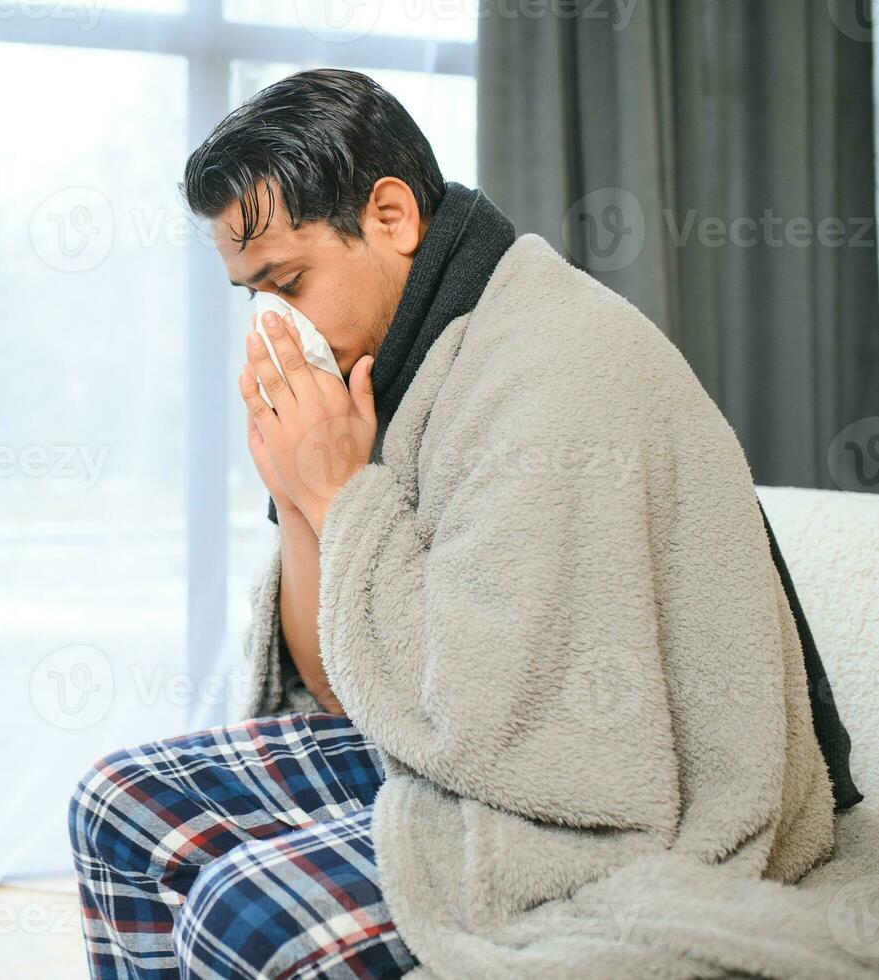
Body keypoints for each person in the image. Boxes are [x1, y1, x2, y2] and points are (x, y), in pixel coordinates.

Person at [69, 69, 861, 980]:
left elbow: (510, 727)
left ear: (392, 218)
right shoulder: (386, 360)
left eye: (285, 281)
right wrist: (298, 493)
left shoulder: (552, 372)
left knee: (244, 911)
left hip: (601, 799)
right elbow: (335, 687)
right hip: (450, 736)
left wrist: (338, 495)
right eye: (251, 294)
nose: (271, 325)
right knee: (116, 804)